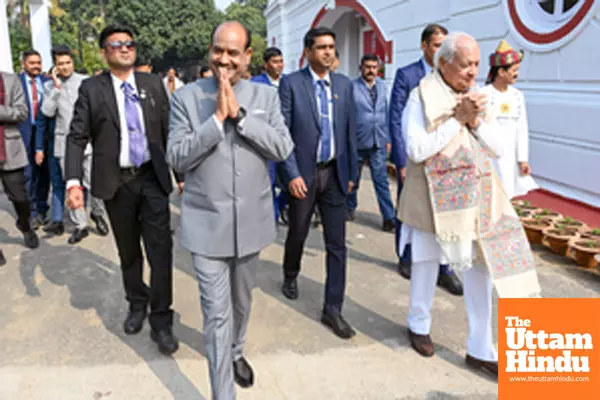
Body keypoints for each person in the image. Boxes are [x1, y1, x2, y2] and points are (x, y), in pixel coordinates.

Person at [399, 32, 540, 376]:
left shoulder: (479, 98)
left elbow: (497, 147)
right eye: (466, 65)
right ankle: (418, 325)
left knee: (482, 270)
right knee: (426, 262)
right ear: (444, 63)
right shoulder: (421, 96)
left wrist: (473, 120)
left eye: (477, 64)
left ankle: (480, 347)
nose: (473, 72)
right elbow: (417, 149)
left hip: (476, 198)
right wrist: (455, 121)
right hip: (433, 198)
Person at [167, 21, 294, 399]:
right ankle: (224, 393)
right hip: (207, 226)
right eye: (218, 51)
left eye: (233, 53)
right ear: (210, 51)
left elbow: (283, 148)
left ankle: (237, 351)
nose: (224, 60)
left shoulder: (265, 98)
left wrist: (240, 116)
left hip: (252, 224)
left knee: (242, 303)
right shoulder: (186, 98)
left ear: (247, 56)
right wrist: (218, 120)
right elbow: (177, 154)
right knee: (217, 315)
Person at [65, 24, 180, 355]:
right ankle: (136, 302)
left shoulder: (152, 83)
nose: (125, 48)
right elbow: (76, 137)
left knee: (161, 253)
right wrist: (73, 182)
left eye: (129, 43)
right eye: (116, 44)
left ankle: (161, 320)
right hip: (117, 183)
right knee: (129, 252)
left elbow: (169, 131)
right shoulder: (92, 89)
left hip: (152, 179)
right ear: (104, 52)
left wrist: (181, 174)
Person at [280, 27, 357, 339]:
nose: (328, 52)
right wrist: (292, 173)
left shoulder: (343, 85)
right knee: (298, 230)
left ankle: (333, 308)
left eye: (331, 47)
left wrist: (351, 175)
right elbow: (282, 132)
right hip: (304, 174)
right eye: (322, 47)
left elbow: (349, 131)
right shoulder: (292, 84)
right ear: (308, 52)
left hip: (335, 175)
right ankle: (290, 272)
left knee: (337, 244)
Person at [389, 23, 463, 296]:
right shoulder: (407, 76)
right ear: (424, 46)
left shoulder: (453, 77)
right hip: (416, 158)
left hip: (447, 164)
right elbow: (395, 119)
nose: (441, 50)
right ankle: (406, 257)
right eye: (436, 45)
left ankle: (445, 269)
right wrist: (401, 161)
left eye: (445, 46)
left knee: (445, 215)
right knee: (409, 210)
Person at [41, 44, 109, 244]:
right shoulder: (49, 86)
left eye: (68, 62)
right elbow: (47, 112)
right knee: (73, 185)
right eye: (60, 64)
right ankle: (80, 225)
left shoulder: (86, 82)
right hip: (64, 143)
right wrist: (55, 87)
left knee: (95, 182)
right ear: (55, 66)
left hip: (88, 142)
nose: (65, 67)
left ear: (73, 62)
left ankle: (97, 213)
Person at [481, 40, 537, 199]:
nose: (516, 74)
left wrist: (523, 159)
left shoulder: (517, 96)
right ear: (501, 72)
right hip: (490, 156)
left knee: (508, 194)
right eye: (513, 70)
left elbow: (521, 128)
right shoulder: (483, 94)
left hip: (510, 156)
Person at [346, 54, 395, 231]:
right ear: (361, 68)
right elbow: (347, 115)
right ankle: (350, 208)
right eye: (367, 67)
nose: (371, 70)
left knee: (381, 180)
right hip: (357, 141)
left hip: (378, 141)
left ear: (378, 69)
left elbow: (386, 113)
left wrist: (388, 138)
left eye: (374, 67)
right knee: (354, 179)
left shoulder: (383, 87)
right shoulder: (352, 87)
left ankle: (389, 217)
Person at [0, 71, 40, 266]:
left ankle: (25, 225)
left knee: (20, 197)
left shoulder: (10, 80)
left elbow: (21, 112)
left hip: (9, 149)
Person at [251, 47, 288, 224]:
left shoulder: (289, 82)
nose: (279, 65)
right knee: (269, 180)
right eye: (274, 62)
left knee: (291, 178)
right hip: (266, 138)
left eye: (280, 61)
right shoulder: (256, 84)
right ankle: (272, 216)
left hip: (286, 139)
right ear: (266, 65)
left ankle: (282, 205)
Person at [17, 50, 50, 230]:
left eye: (38, 62)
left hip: (45, 135)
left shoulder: (48, 82)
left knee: (44, 173)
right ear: (24, 64)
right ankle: (31, 211)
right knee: (28, 175)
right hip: (24, 134)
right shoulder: (16, 83)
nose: (36, 66)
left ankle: (43, 209)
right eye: (32, 63)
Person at [34, 67, 64, 235]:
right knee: (57, 182)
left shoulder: (79, 88)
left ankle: (83, 218)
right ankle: (58, 220)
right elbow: (42, 121)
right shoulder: (48, 92)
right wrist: (39, 148)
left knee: (80, 182)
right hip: (53, 143)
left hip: (75, 142)